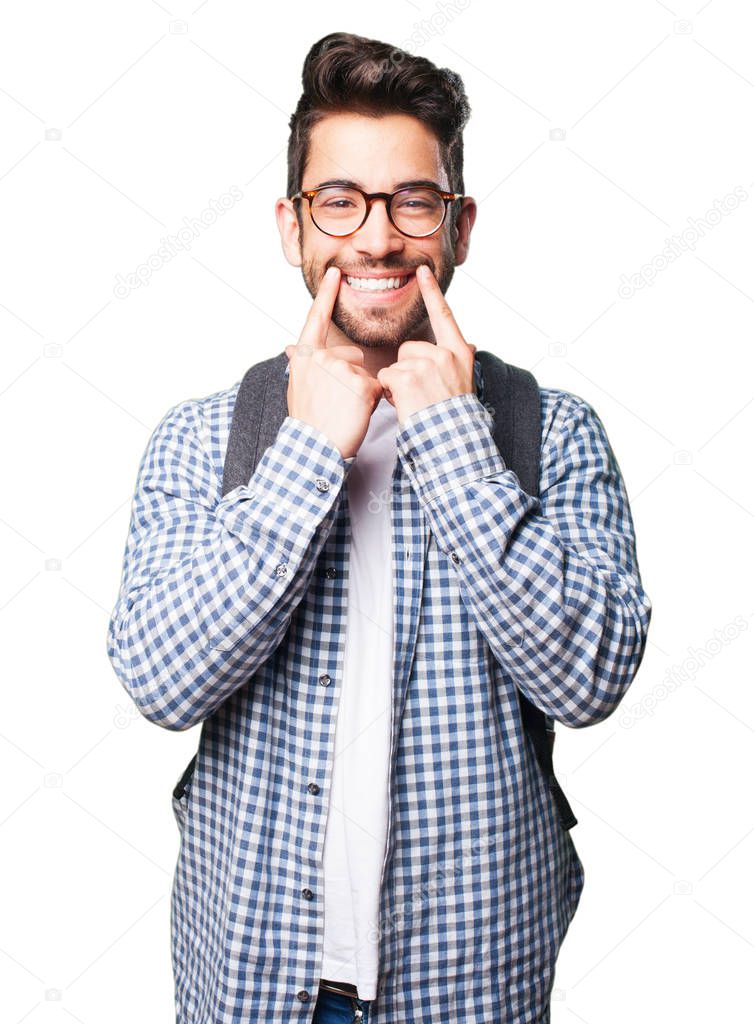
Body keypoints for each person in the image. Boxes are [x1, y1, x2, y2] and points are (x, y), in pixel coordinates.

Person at [106, 31, 652, 1024]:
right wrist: (308, 454)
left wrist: (451, 435)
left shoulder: (551, 430)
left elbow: (590, 679)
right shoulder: (207, 436)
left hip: (469, 982)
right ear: (292, 224)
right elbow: (157, 677)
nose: (375, 238)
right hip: (253, 984)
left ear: (458, 225)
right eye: (339, 201)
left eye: (411, 201)